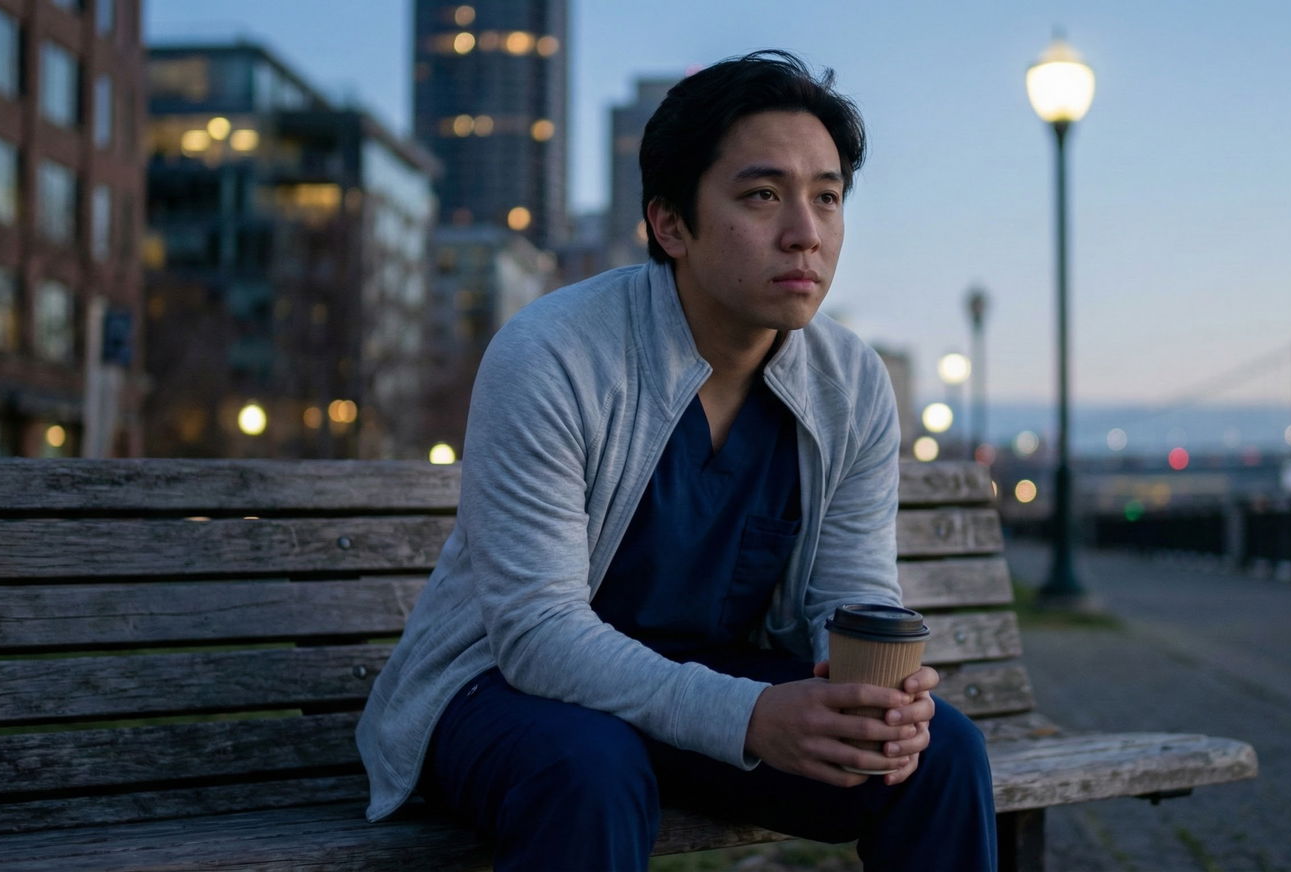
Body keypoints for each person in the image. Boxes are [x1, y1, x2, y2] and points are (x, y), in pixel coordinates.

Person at [356, 50, 997, 871]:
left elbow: (852, 594)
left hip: (712, 689)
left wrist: (875, 697)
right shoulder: (554, 353)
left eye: (827, 197)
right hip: (511, 692)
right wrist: (752, 716)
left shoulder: (852, 383)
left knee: (939, 754)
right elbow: (537, 634)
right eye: (762, 195)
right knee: (589, 769)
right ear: (670, 224)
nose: (806, 232)